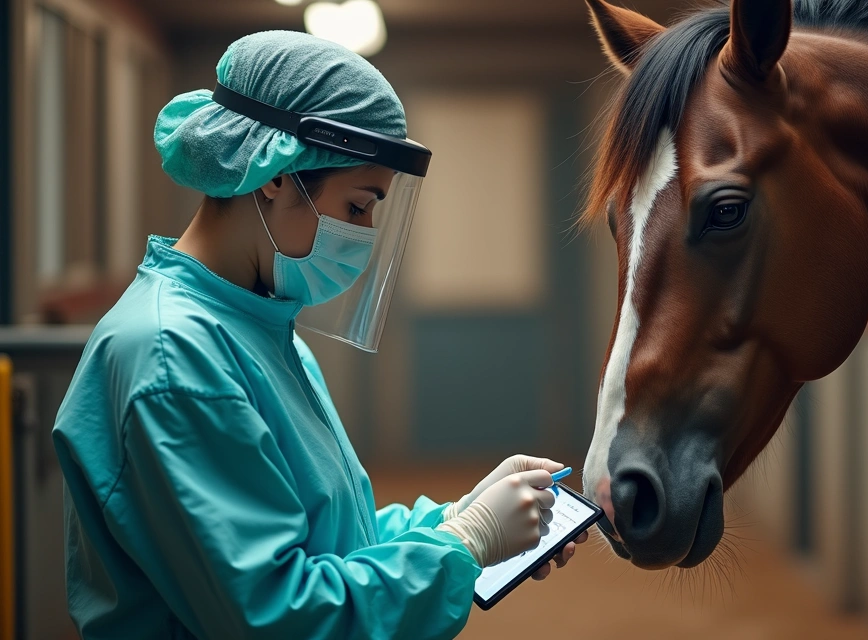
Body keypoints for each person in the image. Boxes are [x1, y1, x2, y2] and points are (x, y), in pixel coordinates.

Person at [50, 30, 586, 640]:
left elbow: (336, 538)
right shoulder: (171, 357)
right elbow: (281, 616)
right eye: (357, 207)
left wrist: (459, 518)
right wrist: (465, 543)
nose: (364, 234)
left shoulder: (261, 331)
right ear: (275, 174)